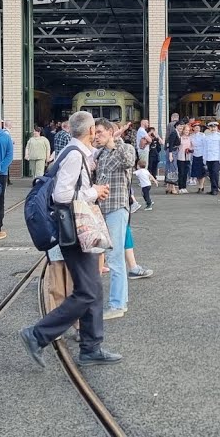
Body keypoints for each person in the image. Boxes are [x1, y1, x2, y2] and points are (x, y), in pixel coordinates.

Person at [20, 111, 123, 368]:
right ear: (89, 132)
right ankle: (37, 334)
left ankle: (91, 347)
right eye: (95, 130)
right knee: (87, 291)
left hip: (76, 229)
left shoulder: (74, 152)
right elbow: (62, 195)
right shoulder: (75, 155)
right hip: (75, 230)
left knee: (93, 289)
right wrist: (94, 191)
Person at [93, 119, 135, 320]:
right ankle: (119, 302)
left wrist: (114, 141)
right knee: (110, 256)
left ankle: (117, 304)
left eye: (100, 132)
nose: (96, 135)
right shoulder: (100, 153)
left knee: (115, 257)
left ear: (110, 132)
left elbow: (128, 161)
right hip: (102, 209)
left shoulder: (125, 148)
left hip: (117, 208)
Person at [200, 121, 220, 196]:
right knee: (211, 174)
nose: (213, 129)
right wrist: (204, 158)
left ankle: (215, 189)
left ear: (217, 127)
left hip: (216, 158)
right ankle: (212, 189)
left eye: (214, 127)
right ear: (209, 128)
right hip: (209, 158)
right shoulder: (206, 136)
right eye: (211, 127)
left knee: (215, 174)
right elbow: (205, 148)